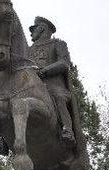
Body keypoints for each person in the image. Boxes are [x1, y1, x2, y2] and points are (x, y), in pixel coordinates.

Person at [28, 16, 77, 146]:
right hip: (31, 87)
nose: (31, 32)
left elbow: (64, 63)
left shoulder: (58, 44)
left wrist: (44, 71)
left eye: (34, 29)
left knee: (58, 98)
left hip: (53, 87)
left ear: (42, 28)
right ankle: (4, 140)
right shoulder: (28, 50)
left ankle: (68, 131)